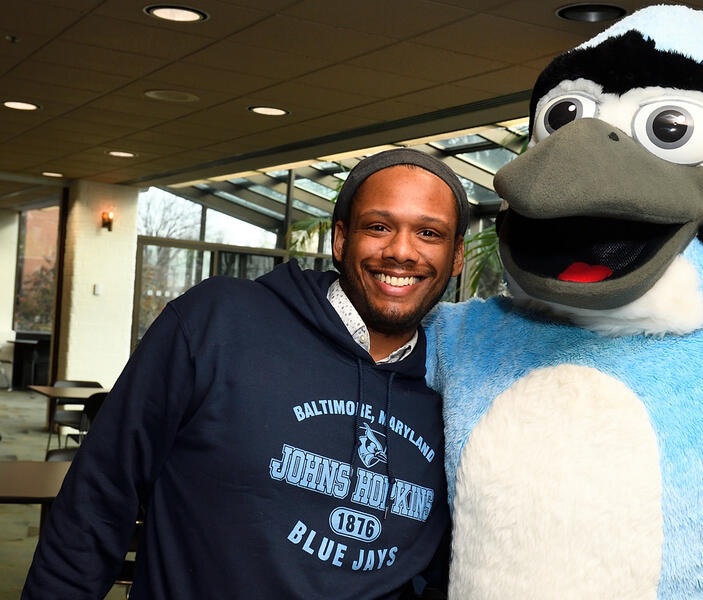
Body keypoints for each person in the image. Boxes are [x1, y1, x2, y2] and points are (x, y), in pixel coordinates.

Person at [23, 148, 467, 599]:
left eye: (429, 233)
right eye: (379, 226)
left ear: (455, 259)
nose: (401, 251)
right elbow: (97, 498)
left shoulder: (457, 393)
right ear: (340, 240)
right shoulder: (218, 322)